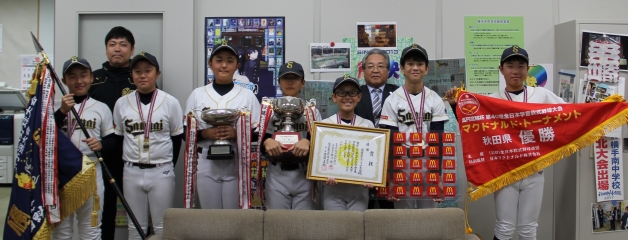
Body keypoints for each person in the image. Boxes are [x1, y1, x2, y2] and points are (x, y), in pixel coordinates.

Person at [445, 46, 565, 240]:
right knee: (505, 227)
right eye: (510, 66)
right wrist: (454, 104)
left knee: (528, 229)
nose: (515, 71)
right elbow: (473, 128)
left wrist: (604, 110)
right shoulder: (492, 100)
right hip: (505, 173)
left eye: (520, 66)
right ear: (501, 69)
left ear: (528, 69)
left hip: (535, 172)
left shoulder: (542, 95)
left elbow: (570, 115)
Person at [113, 52, 183, 239]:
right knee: (134, 227)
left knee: (162, 227)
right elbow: (119, 139)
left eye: (148, 71)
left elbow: (176, 139)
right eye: (137, 71)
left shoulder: (170, 102)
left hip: (161, 170)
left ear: (157, 74)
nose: (142, 75)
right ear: (132, 75)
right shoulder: (121, 103)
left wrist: (167, 165)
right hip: (131, 170)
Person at [186, 41, 260, 209]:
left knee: (233, 218)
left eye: (230, 60)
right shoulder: (197, 95)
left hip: (236, 161)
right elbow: (186, 132)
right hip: (205, 162)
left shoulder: (247, 96)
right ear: (210, 63)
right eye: (219, 60)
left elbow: (258, 133)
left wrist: (236, 134)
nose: (224, 65)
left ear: (237, 65)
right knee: (211, 217)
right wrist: (206, 134)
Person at [379, 43, 449, 209]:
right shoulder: (392, 100)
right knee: (404, 218)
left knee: (429, 216)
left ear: (427, 69)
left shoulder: (435, 99)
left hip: (427, 160)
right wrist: (392, 176)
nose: (415, 68)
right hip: (403, 161)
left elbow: (437, 139)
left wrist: (437, 175)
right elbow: (391, 140)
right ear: (402, 69)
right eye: (410, 64)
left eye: (420, 64)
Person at [51, 57, 114, 240]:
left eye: (83, 75)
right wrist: (62, 111)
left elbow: (112, 140)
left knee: (91, 229)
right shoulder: (55, 106)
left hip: (91, 172)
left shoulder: (101, 108)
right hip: (61, 175)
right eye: (72, 77)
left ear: (91, 78)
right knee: (61, 231)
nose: (79, 81)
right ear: (64, 81)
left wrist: (101, 145)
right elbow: (43, 136)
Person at [88, 26, 136, 240]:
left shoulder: (139, 77)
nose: (118, 49)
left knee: (136, 209)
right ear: (106, 49)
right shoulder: (93, 79)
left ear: (132, 50)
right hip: (101, 156)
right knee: (104, 208)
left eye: (123, 44)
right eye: (112, 44)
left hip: (131, 155)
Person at [262, 61, 320, 210]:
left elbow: (321, 143)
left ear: (302, 83)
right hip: (277, 173)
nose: (289, 82)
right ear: (279, 82)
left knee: (302, 226)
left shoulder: (311, 110)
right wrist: (266, 141)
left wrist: (308, 142)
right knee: (277, 225)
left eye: (294, 78)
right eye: (285, 78)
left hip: (304, 173)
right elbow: (259, 138)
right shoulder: (268, 109)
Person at [321, 75, 374, 211]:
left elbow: (372, 159)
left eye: (352, 92)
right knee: (335, 229)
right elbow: (320, 160)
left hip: (359, 190)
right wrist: (323, 173)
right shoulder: (324, 125)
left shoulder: (368, 125)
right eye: (342, 93)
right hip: (333, 189)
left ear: (359, 97)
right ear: (334, 97)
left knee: (356, 228)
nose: (347, 97)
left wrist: (372, 176)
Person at [354, 48, 397, 209]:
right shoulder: (354, 95)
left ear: (388, 70)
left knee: (391, 216)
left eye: (380, 66)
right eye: (370, 66)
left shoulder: (399, 94)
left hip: (393, 162)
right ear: (363, 70)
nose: (375, 70)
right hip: (362, 164)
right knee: (362, 213)